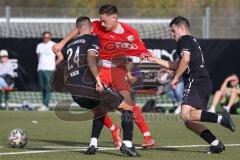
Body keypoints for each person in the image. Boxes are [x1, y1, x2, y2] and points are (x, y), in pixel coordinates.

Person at [53, 5, 155, 149]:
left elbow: (141, 49)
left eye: (104, 21)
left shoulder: (130, 32)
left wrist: (144, 54)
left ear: (114, 18)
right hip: (100, 69)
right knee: (96, 105)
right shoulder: (96, 26)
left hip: (118, 70)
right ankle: (114, 130)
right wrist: (62, 43)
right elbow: (80, 28)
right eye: (100, 20)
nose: (100, 24)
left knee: (128, 103)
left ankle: (147, 137)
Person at [147, 16, 235, 154]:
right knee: (188, 121)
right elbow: (176, 65)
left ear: (182, 28)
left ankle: (221, 118)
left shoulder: (184, 39)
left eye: (173, 30)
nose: (172, 34)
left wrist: (175, 79)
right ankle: (216, 143)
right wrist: (154, 58)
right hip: (202, 81)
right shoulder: (190, 40)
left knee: (185, 114)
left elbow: (185, 60)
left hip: (196, 80)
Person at [36, 31, 63, 111]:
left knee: (48, 87)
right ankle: (44, 103)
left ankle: (45, 105)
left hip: (50, 69)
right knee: (42, 87)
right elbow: (39, 57)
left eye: (48, 37)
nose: (46, 39)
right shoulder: (39, 45)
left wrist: (53, 64)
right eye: (44, 37)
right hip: (40, 69)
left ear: (50, 37)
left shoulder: (53, 45)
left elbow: (60, 57)